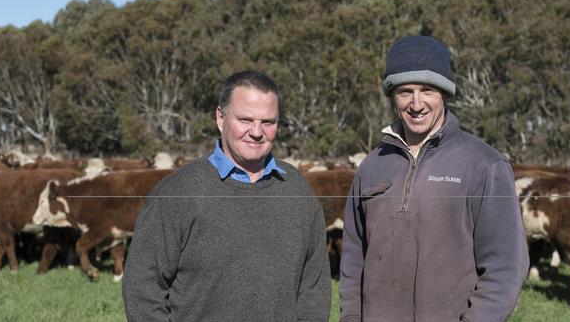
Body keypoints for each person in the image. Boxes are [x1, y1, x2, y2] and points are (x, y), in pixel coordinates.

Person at [339, 36, 529, 322]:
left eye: (427, 90)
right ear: (392, 96)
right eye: (405, 91)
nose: (416, 103)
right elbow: (353, 261)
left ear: (444, 93)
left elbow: (506, 267)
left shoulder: (485, 164)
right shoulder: (372, 166)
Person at [123, 70, 331, 321]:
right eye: (245, 119)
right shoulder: (178, 192)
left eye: (268, 122)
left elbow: (313, 290)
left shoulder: (298, 192)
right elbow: (142, 288)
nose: (257, 131)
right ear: (220, 118)